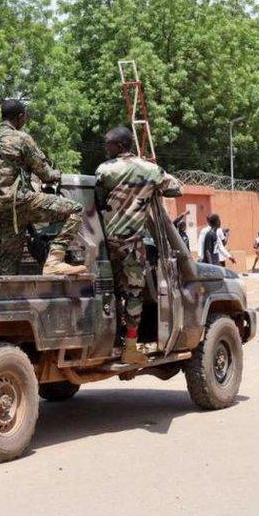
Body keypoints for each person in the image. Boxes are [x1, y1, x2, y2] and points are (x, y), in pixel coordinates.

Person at [95, 127, 182, 363]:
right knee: (134, 293)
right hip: (132, 243)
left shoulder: (105, 170)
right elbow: (175, 188)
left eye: (109, 145)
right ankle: (131, 346)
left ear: (121, 146)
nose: (106, 149)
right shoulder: (150, 170)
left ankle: (112, 339)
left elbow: (98, 197)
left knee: (108, 292)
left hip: (104, 243)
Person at [0, 99, 86, 276]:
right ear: (20, 117)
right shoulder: (22, 138)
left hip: (2, 208)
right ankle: (54, 260)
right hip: (23, 202)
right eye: (25, 118)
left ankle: (7, 300)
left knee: (9, 266)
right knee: (75, 210)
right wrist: (57, 174)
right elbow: (45, 174)